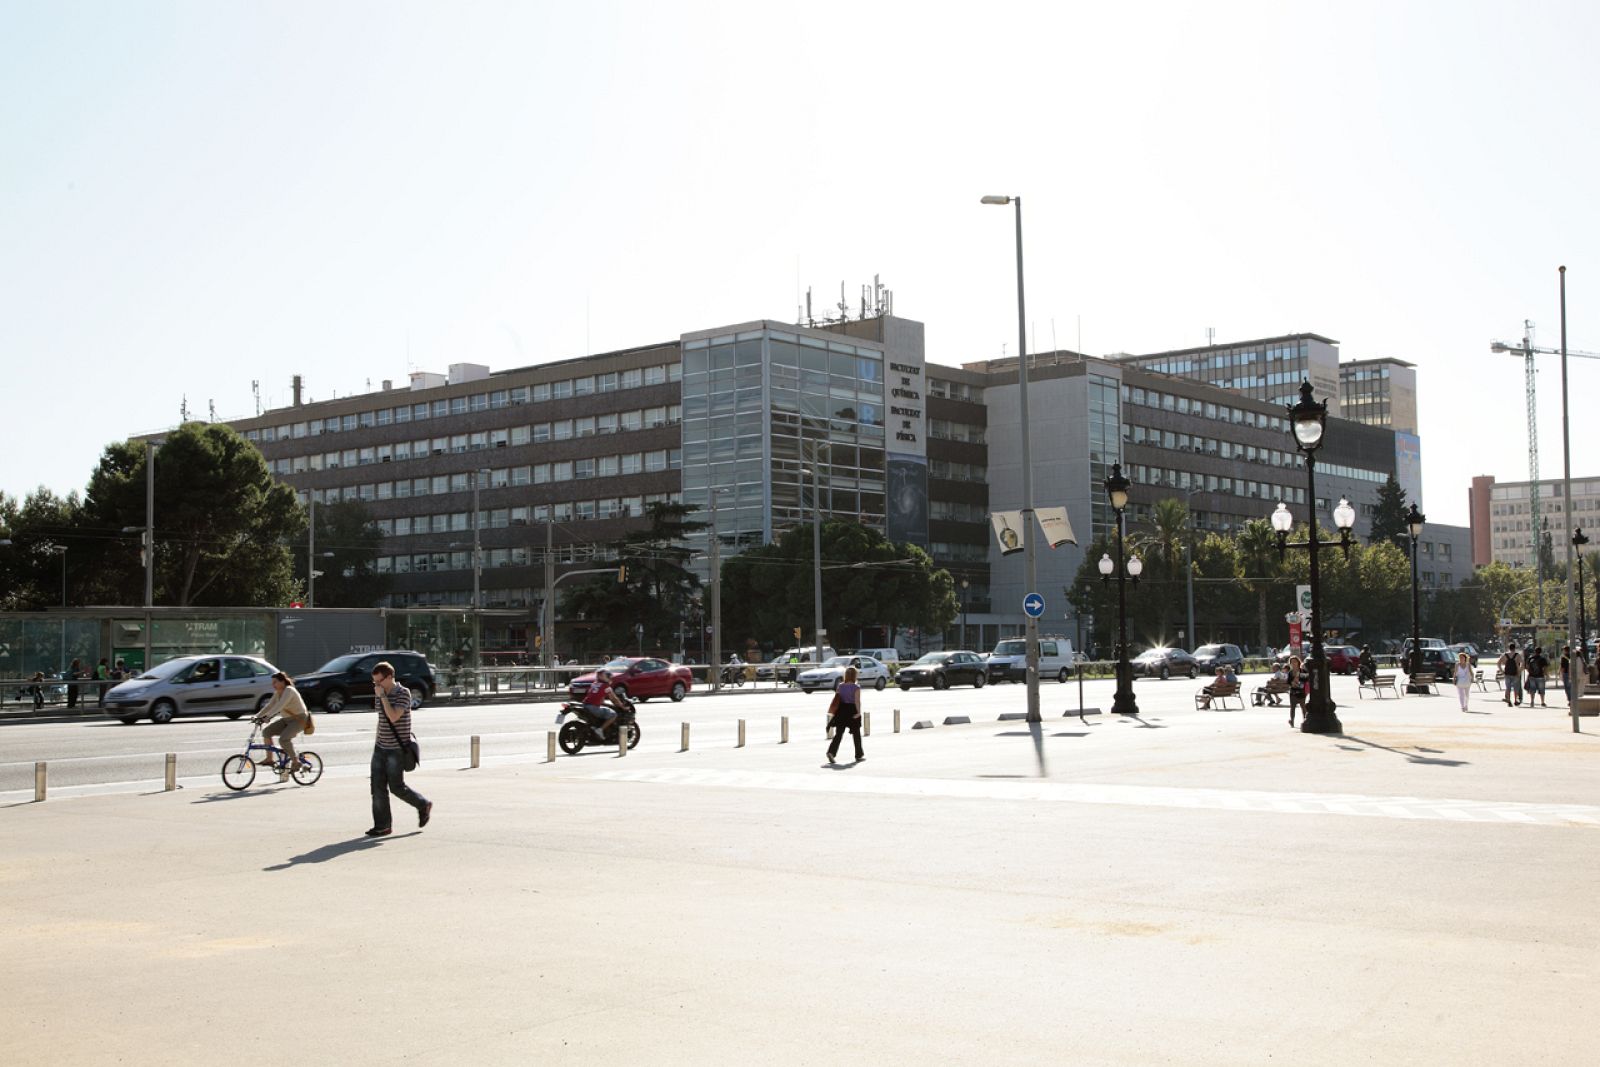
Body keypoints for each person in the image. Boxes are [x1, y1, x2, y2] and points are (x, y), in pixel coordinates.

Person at [368, 660, 431, 838]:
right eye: (374, 682)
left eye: (379, 681)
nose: (377, 685)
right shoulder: (381, 693)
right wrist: (377, 742)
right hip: (380, 747)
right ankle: (382, 826)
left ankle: (422, 804)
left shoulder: (403, 693)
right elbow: (381, 720)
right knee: (376, 787)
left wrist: (382, 697)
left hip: (396, 749)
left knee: (396, 787)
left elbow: (393, 716)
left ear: (389, 677)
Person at [254, 671, 312, 782]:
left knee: (284, 739)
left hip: (299, 720)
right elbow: (269, 705)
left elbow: (280, 706)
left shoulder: (289, 690)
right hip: (287, 720)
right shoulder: (278, 692)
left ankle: (296, 761)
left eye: (275, 682)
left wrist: (268, 717)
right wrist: (257, 716)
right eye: (272, 682)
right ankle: (269, 759)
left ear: (282, 682)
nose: (273, 685)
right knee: (266, 732)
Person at [826, 665, 865, 764]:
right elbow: (857, 701)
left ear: (846, 675)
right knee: (856, 734)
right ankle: (858, 755)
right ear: (855, 676)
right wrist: (858, 712)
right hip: (852, 710)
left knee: (839, 734)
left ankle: (831, 752)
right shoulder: (856, 687)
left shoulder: (840, 686)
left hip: (841, 710)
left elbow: (837, 699)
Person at [580, 667, 630, 734]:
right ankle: (600, 730)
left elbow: (598, 698)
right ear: (603, 676)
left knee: (604, 711)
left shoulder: (594, 684)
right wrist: (623, 707)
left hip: (585, 705)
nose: (609, 677)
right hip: (594, 708)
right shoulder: (606, 686)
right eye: (607, 675)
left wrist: (606, 704)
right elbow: (614, 699)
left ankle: (595, 727)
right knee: (613, 714)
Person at [1286, 655, 1308, 728]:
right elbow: (1288, 682)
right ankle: (1292, 721)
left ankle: (1305, 720)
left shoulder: (1303, 671)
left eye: (1295, 662)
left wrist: (1298, 679)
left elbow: (1306, 680)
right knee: (1292, 707)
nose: (1293, 663)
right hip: (1293, 692)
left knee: (1303, 707)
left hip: (1301, 692)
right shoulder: (1290, 672)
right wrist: (1292, 683)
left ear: (1298, 662)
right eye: (1292, 662)